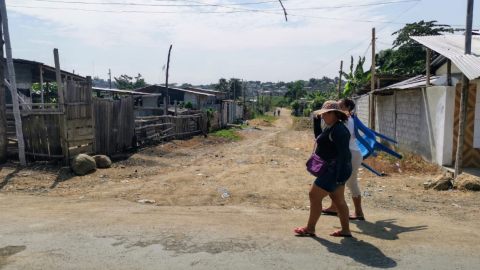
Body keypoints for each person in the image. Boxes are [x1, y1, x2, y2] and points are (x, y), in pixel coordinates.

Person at [294, 100, 353, 237]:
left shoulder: (339, 130)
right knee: (338, 200)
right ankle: (345, 230)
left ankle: (310, 228)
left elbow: (345, 155)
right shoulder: (331, 126)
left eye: (324, 114)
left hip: (335, 170)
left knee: (314, 195)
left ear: (332, 114)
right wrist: (316, 122)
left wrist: (340, 176)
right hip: (334, 169)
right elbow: (320, 139)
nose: (323, 117)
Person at [322, 98, 365, 220]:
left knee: (350, 183)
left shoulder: (346, 121)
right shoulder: (348, 119)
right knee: (338, 182)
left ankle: (358, 212)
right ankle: (334, 207)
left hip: (350, 154)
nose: (337, 108)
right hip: (352, 153)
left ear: (347, 109)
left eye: (340, 106)